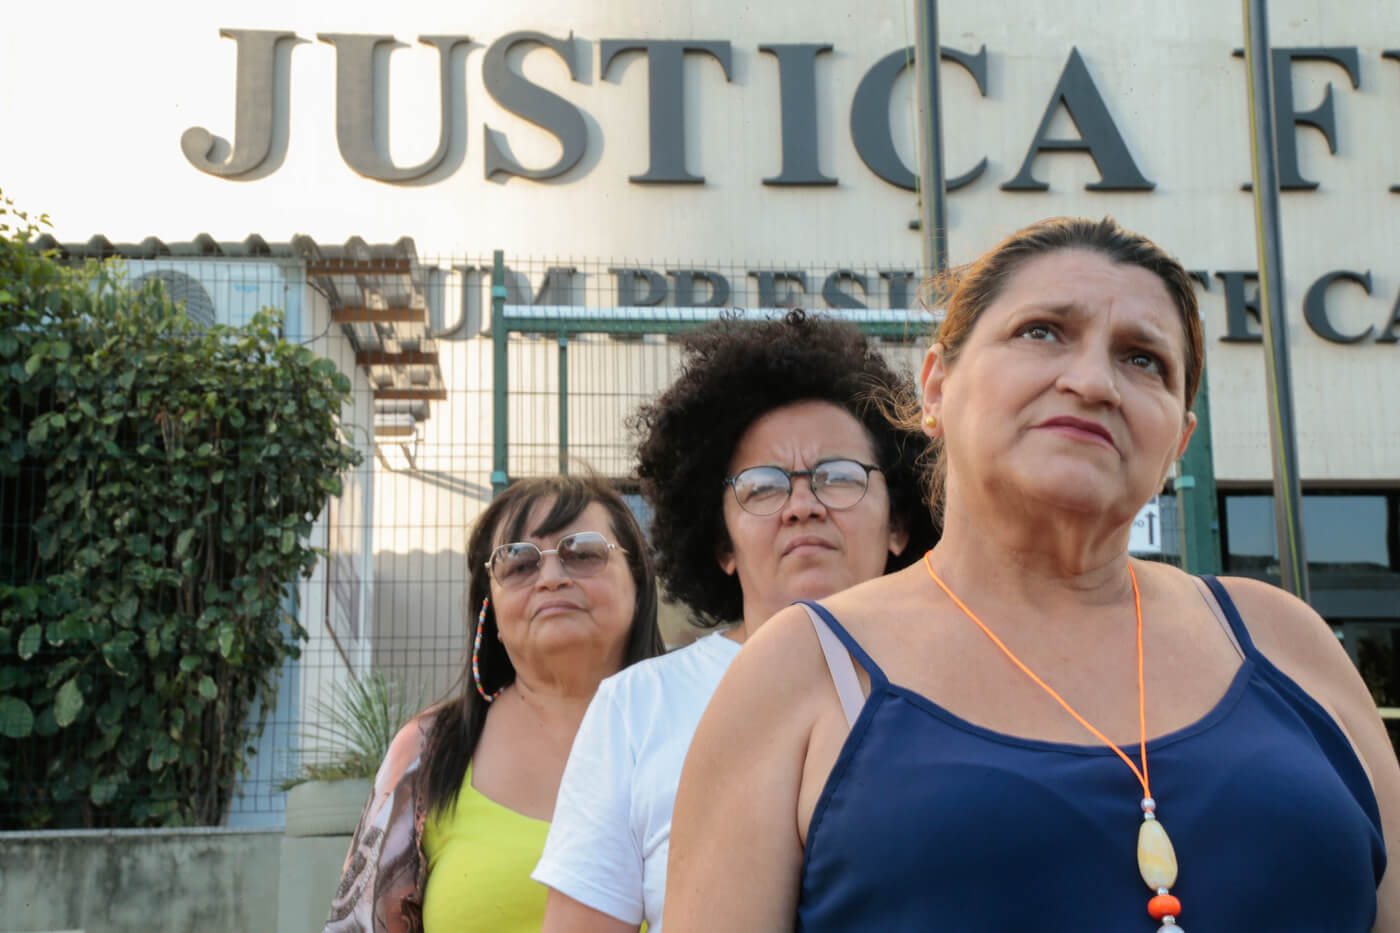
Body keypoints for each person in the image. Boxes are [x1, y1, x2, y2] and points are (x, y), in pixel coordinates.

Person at [663, 217, 1400, 931]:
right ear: (937, 387)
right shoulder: (803, 671)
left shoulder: (1285, 642)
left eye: (1143, 357)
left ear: (1179, 437)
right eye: (1041, 331)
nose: (1092, 381)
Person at [533, 309, 939, 933]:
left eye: (838, 477)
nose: (803, 506)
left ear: (898, 523)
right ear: (721, 543)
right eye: (763, 487)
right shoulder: (639, 707)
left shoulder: (965, 682)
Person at [324, 474, 664, 933]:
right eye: (519, 563)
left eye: (582, 552)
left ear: (638, 582)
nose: (550, 578)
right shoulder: (428, 753)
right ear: (492, 610)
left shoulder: (706, 723)